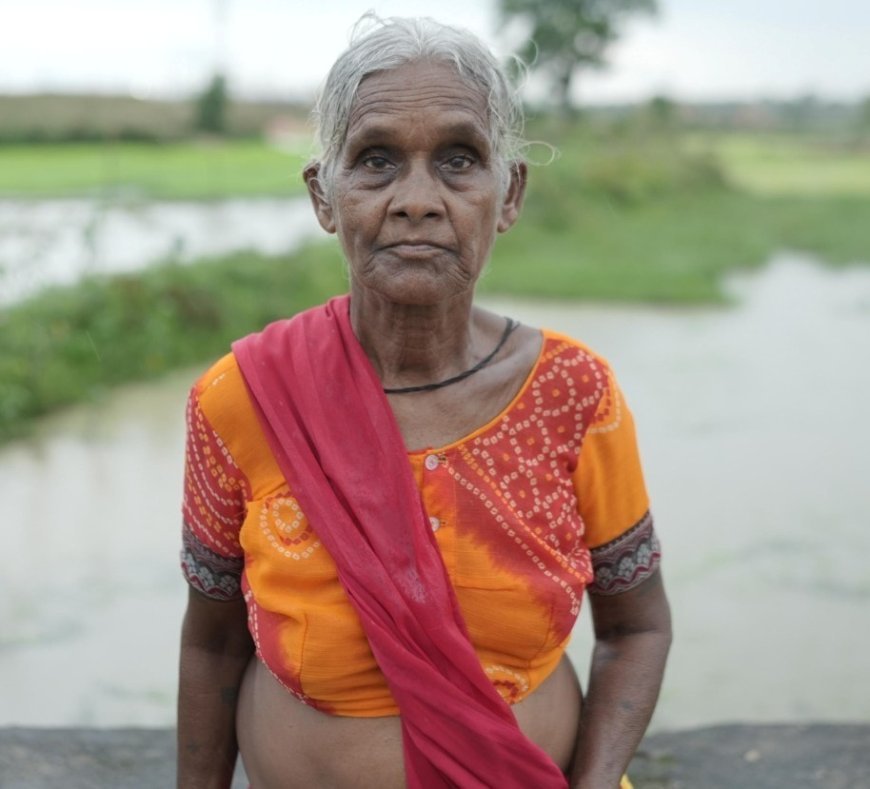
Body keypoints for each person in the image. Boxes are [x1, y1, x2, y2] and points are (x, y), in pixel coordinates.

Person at [176, 15, 671, 789]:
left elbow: (636, 626)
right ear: (324, 195)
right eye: (376, 160)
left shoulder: (573, 393)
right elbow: (211, 645)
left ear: (508, 194)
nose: (416, 200)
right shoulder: (244, 396)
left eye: (458, 160)